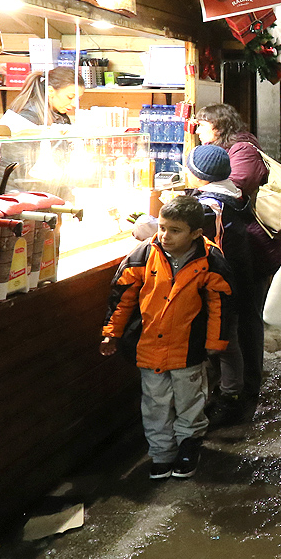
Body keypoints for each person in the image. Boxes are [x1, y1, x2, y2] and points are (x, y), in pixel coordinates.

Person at [100, 195, 234, 480]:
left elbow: (220, 305)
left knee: (189, 402)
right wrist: (111, 333)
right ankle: (161, 454)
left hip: (189, 348)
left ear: (196, 233)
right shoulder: (144, 255)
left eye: (175, 230)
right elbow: (122, 298)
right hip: (149, 347)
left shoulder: (210, 261)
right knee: (155, 404)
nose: (165, 235)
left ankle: (188, 448)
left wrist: (214, 343)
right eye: (162, 227)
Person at [194, 104, 281, 402]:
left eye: (201, 124)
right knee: (236, 323)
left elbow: (237, 188)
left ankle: (247, 389)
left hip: (252, 248)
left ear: (218, 126)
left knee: (246, 321)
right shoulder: (226, 149)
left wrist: (203, 191)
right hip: (240, 248)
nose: (196, 130)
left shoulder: (242, 149)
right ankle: (238, 385)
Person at [182, 144, 276, 425]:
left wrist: (146, 225)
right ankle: (233, 391)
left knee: (224, 342)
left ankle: (230, 397)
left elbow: (183, 230)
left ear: (200, 176)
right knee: (229, 338)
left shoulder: (210, 207)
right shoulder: (233, 195)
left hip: (222, 283)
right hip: (238, 276)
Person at [2, 66, 81, 128]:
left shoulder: (61, 117)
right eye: (70, 97)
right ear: (50, 91)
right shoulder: (24, 120)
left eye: (78, 99)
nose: (74, 104)